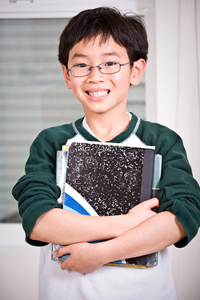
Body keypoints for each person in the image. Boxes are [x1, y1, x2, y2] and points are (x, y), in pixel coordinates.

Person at [12, 7, 200, 300]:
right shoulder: (51, 141)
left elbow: (181, 219)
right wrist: (126, 223)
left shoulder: (162, 141)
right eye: (81, 65)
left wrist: (100, 253)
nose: (95, 76)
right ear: (66, 75)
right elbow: (38, 221)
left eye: (110, 63)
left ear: (135, 70)